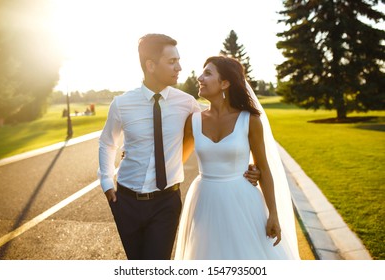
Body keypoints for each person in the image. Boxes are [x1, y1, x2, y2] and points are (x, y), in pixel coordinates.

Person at [98, 34, 261, 260]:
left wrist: (248, 164)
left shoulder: (187, 104)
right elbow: (107, 142)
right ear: (151, 65)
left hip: (166, 202)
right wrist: (106, 182)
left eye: (179, 60)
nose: (180, 67)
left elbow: (223, 126)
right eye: (172, 61)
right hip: (126, 201)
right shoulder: (122, 104)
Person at [175, 56, 301, 260]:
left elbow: (265, 169)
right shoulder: (193, 121)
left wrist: (273, 214)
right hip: (204, 200)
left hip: (243, 201)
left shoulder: (250, 120)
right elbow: (175, 161)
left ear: (225, 83)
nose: (200, 78)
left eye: (207, 73)